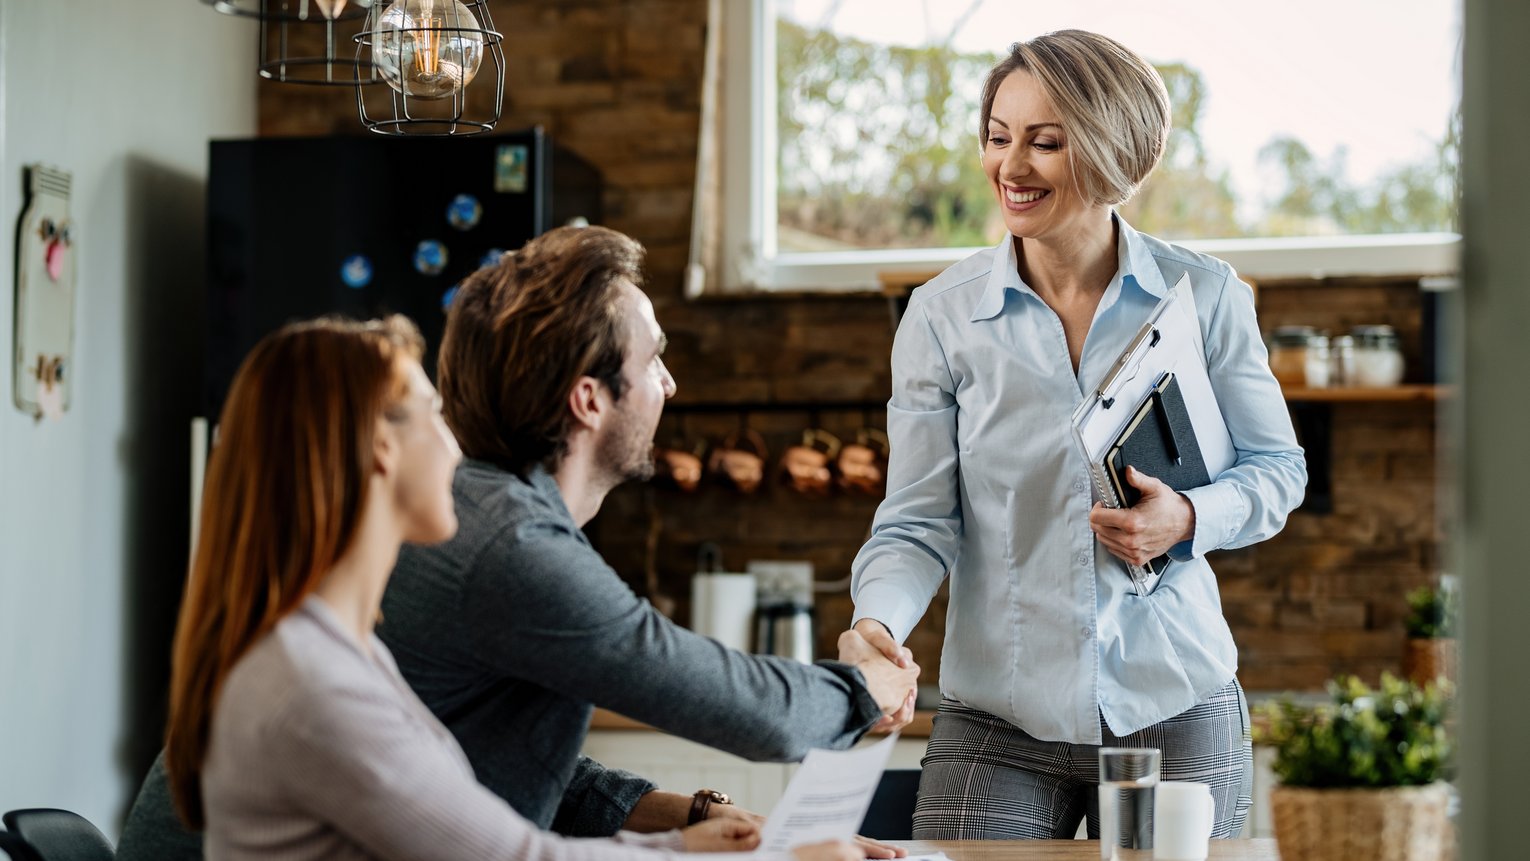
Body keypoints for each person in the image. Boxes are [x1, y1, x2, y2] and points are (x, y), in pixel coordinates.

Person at [121, 227, 917, 859]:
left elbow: (448, 779)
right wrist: (863, 687)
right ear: (588, 398)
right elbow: (725, 699)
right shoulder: (500, 539)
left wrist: (687, 818)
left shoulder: (470, 541)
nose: (670, 384)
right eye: (655, 360)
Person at [846, 31, 1307, 840]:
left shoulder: (1205, 295)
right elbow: (918, 519)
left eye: (1044, 142)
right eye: (998, 137)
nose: (1011, 167)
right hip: (999, 714)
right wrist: (878, 620)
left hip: (1174, 698)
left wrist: (1188, 518)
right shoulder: (942, 318)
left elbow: (1278, 470)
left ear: (1109, 149)